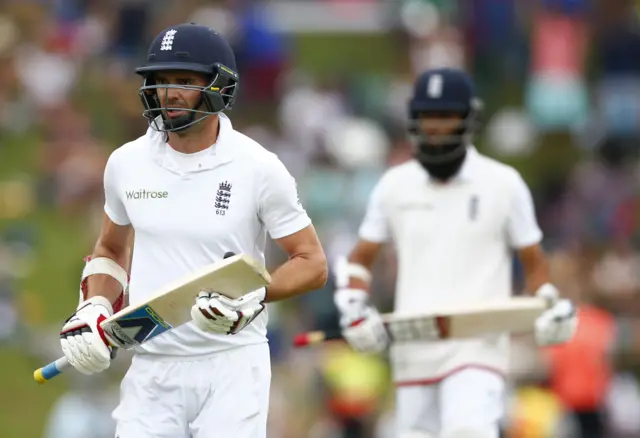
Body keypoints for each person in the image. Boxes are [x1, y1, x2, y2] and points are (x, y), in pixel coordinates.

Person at [57, 23, 328, 438]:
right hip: (152, 364)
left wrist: (254, 297)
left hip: (232, 364)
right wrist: (95, 308)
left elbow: (312, 262)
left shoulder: (258, 167)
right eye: (161, 81)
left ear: (220, 85)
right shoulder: (126, 163)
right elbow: (111, 249)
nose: (169, 93)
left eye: (184, 81)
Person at [332, 68, 578, 438]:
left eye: (445, 116)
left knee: (468, 430)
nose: (435, 127)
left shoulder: (503, 183)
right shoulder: (394, 185)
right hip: (414, 346)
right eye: (427, 117)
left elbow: (534, 262)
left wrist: (545, 302)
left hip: (477, 347)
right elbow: (361, 258)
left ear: (467, 118)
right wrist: (353, 304)